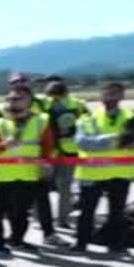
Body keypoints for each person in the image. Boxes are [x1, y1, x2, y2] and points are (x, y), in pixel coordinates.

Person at [0, 80, 53, 255]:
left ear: (29, 101)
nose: (13, 102)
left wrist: (46, 163)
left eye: (18, 99)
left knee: (22, 211)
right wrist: (3, 145)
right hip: (5, 175)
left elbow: (47, 146)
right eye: (10, 99)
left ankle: (17, 240)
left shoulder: (41, 121)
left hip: (29, 174)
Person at [72, 81, 134, 254]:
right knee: (86, 211)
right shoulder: (88, 119)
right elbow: (83, 143)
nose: (110, 97)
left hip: (120, 173)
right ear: (101, 96)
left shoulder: (133, 117)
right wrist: (119, 140)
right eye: (107, 93)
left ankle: (116, 244)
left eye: (115, 93)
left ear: (122, 96)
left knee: (117, 212)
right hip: (92, 173)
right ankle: (81, 243)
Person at [43, 79, 84, 228]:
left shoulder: (46, 105)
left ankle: (47, 218)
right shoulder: (78, 104)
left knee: (48, 185)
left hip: (58, 151)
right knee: (63, 187)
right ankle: (61, 220)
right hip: (63, 150)